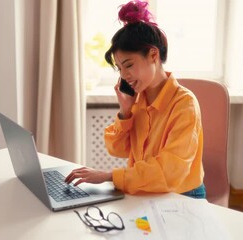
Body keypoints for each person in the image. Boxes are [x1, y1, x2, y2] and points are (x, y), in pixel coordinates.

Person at [65, 0, 205, 199]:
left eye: (129, 65)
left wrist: (108, 176)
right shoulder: (138, 100)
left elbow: (169, 172)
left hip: (182, 195)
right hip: (146, 190)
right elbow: (118, 150)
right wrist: (125, 112)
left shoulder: (185, 104)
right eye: (120, 69)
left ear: (153, 55)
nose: (124, 75)